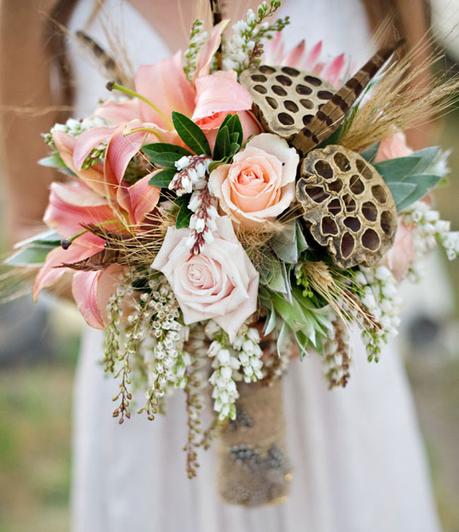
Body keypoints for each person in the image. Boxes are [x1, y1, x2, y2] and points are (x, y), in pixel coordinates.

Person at [0, 1, 443, 531]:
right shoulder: (30, 10)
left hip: (335, 390)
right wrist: (174, 287)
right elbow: (33, 228)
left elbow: (415, 178)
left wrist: (315, 277)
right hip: (159, 410)